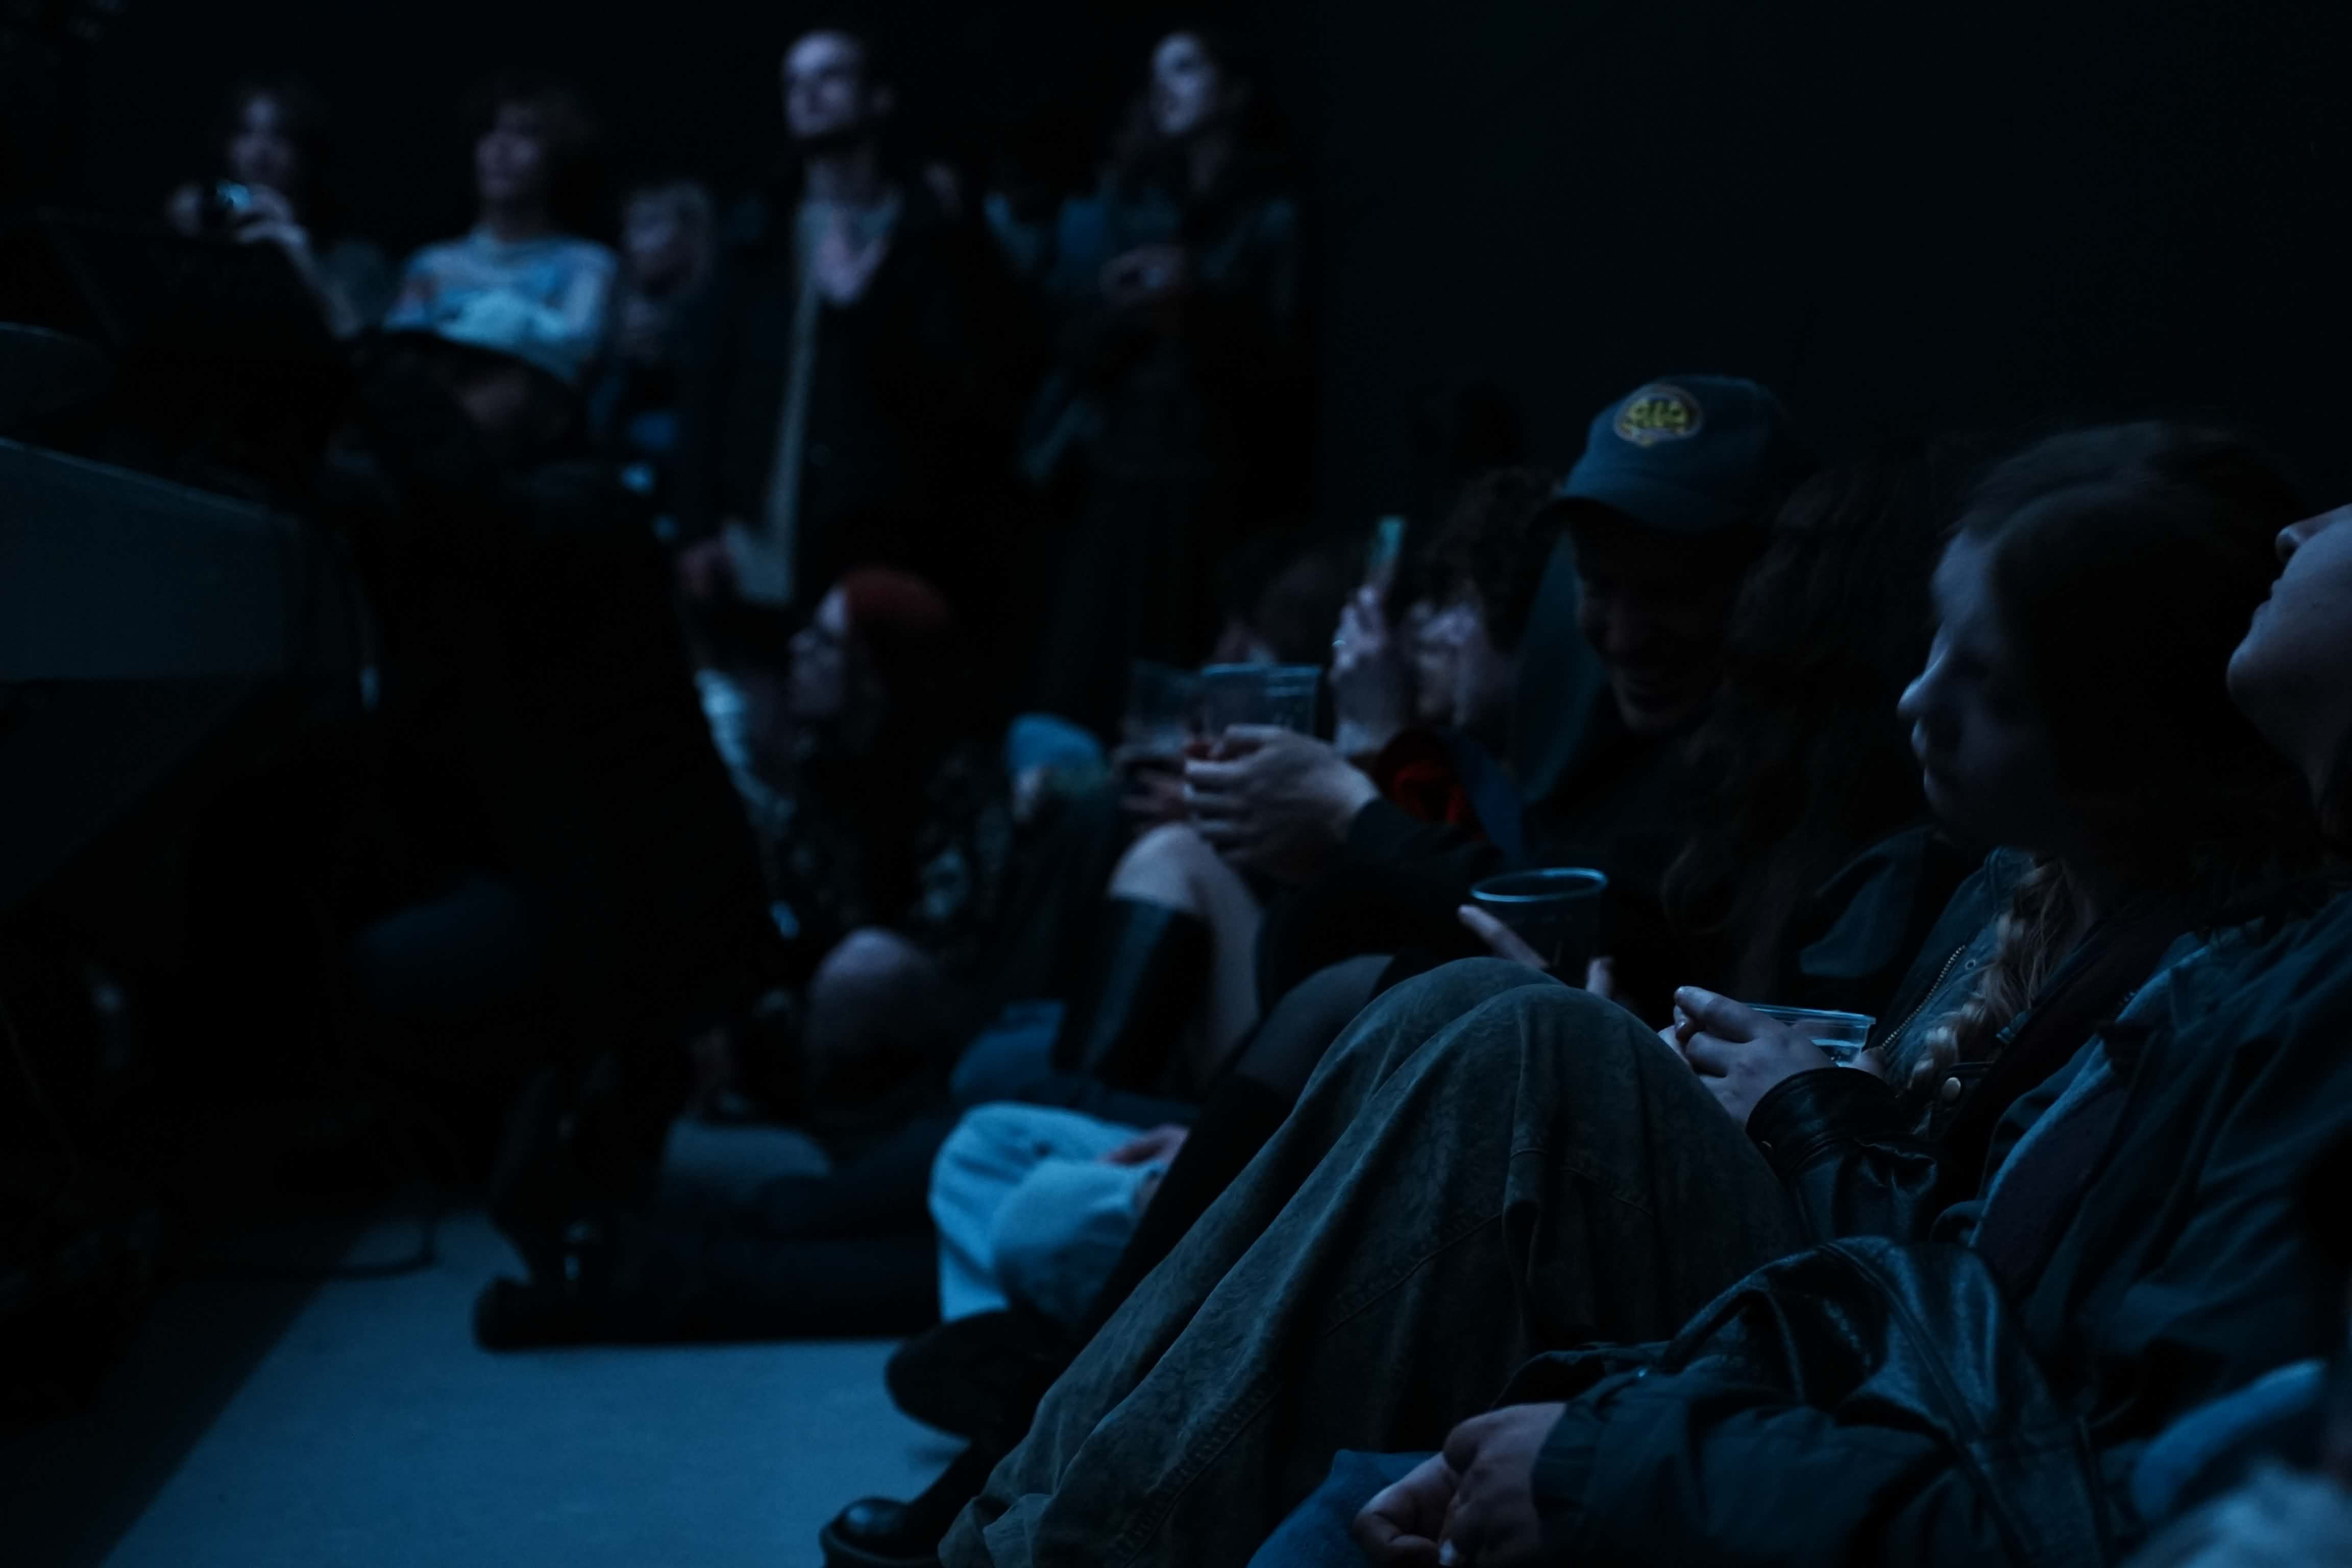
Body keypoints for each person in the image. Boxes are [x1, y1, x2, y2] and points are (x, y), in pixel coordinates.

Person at [929, 423, 2327, 1567]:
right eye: (1594, 585)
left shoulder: (2223, 969)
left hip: (1853, 1384)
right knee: (1395, 1029)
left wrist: (1805, 1111)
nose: (1920, 703)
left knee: (1505, 1042)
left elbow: (2032, 1389)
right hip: (1823, 1333)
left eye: (1988, 685)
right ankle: (1009, 1505)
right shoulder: (2014, 878)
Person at [817, 438, 1958, 1566]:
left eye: (1449, 612)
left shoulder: (1886, 858)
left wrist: (1367, 788)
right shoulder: (1652, 777)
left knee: (1031, 1171)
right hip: (1387, 1148)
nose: (1624, 628)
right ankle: (1008, 1432)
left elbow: (1924, 1231)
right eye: (1599, 590)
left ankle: (1000, 1397)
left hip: (1683, 1247)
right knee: (996, 1135)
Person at [1008, 27, 1311, 736]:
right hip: (1120, 479)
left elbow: (1284, 366)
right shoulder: (1134, 203)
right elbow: (1067, 345)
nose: (1165, 88)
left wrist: (1194, 298)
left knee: (1185, 694)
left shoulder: (1271, 211)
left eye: (1186, 67)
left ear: (1234, 88)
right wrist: (1119, 305)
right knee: (1090, 686)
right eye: (1157, 73)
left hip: (1213, 492)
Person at [673, 25, 1020, 622]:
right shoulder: (759, 228)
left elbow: (970, 385)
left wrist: (864, 312)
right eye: (794, 82)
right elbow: (707, 381)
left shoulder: (931, 231)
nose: (808, 94)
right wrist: (696, 525)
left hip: (888, 531)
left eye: (830, 76)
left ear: (879, 98)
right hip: (760, 532)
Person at [383, 76, 617, 397]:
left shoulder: (587, 265)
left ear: (559, 153)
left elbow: (576, 363)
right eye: (490, 131)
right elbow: (396, 368)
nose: (500, 147)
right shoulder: (431, 265)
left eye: (525, 133)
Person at [164, 76, 395, 336]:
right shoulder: (206, 235)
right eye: (245, 132)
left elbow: (365, 350)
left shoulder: (357, 260)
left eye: (280, 135)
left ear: (308, 152)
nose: (260, 150)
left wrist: (304, 265)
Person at [586, 177, 715, 502]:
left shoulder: (716, 314)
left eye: (649, 225)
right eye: (629, 227)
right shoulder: (617, 306)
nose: (632, 241)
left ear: (690, 232)